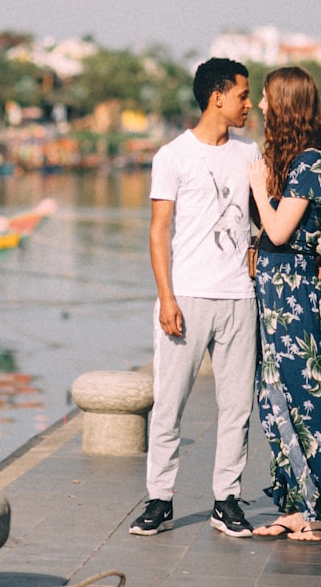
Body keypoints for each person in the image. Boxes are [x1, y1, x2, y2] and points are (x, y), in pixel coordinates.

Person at [129, 57, 261, 538]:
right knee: (169, 404)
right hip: (186, 296)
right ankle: (160, 500)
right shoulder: (173, 156)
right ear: (217, 97)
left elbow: (262, 217)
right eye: (243, 95)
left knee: (236, 407)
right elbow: (159, 230)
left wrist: (256, 250)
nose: (249, 104)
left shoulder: (250, 154)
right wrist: (166, 298)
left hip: (238, 298)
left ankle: (226, 500)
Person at [246, 65, 321, 542]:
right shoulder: (290, 161)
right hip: (271, 293)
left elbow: (281, 232)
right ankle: (294, 504)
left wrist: (257, 183)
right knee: (273, 399)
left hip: (296, 296)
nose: (262, 107)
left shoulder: (313, 162)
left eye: (267, 99)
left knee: (307, 401)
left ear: (286, 104)